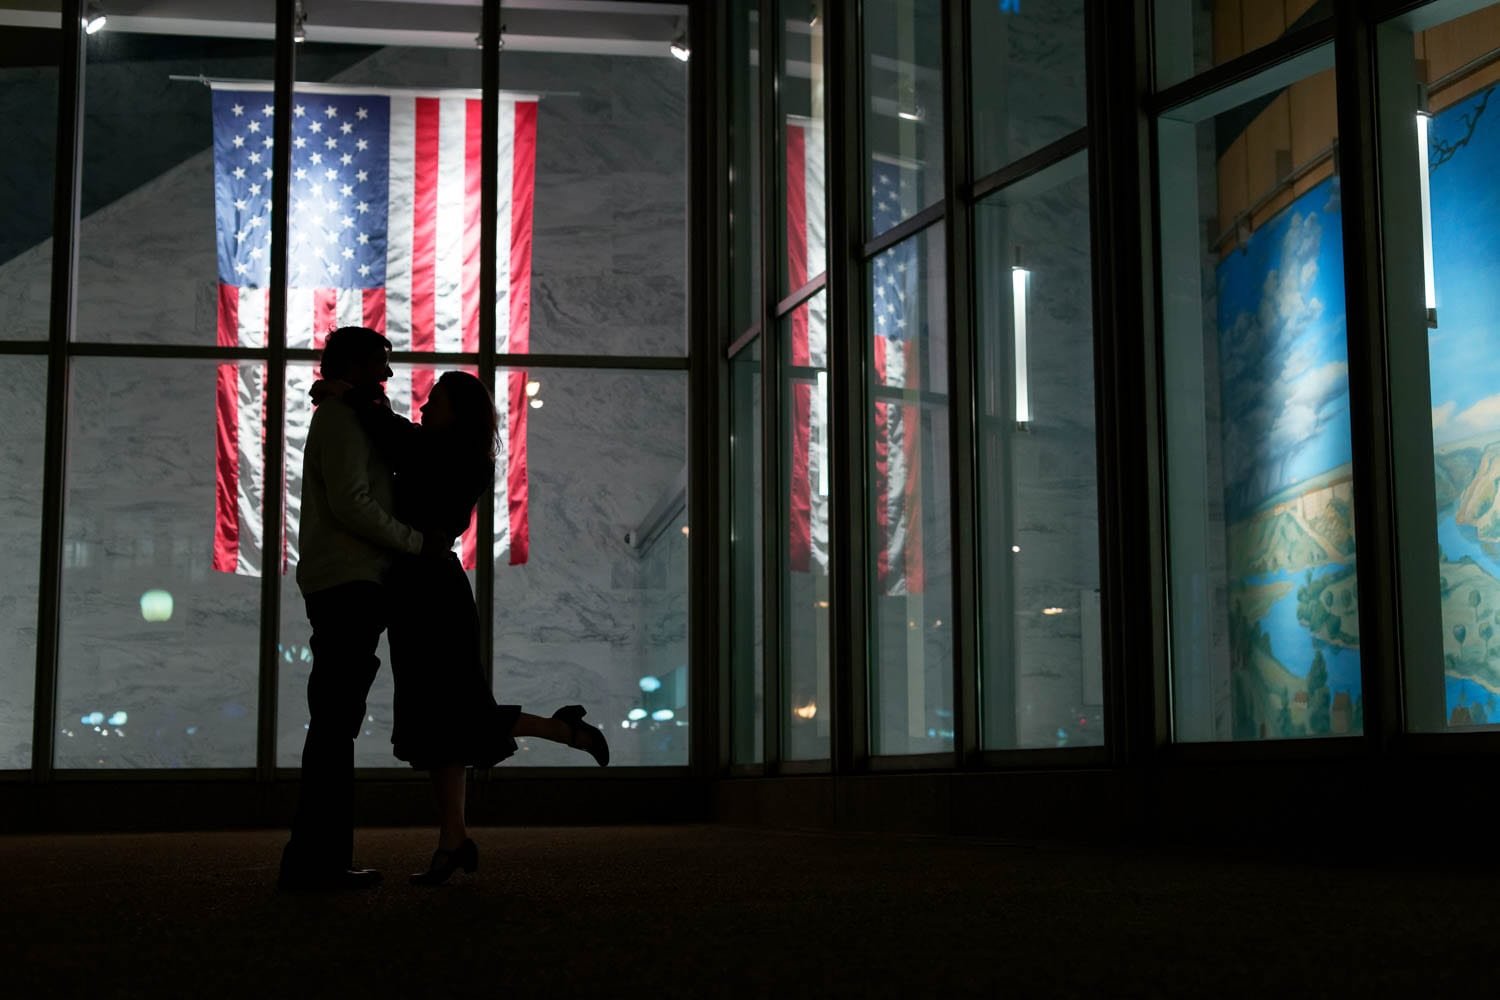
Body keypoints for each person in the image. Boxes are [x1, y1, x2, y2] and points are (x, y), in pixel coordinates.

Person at [316, 368, 609, 886]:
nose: (425, 409)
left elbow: (397, 438)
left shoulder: (450, 456)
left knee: (450, 714)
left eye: (436, 402)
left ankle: (561, 731)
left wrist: (358, 398)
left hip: (430, 595)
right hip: (423, 592)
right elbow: (401, 438)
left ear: (459, 413)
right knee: (443, 721)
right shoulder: (456, 454)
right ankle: (453, 841)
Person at [278, 326, 439, 892]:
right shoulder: (342, 420)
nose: (389, 377)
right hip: (350, 581)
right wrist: (415, 542)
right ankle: (316, 862)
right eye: (380, 365)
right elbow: (353, 503)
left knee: (333, 721)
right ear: (352, 366)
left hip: (341, 581)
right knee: (335, 723)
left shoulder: (341, 414)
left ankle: (315, 858)